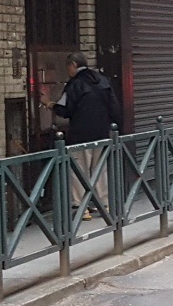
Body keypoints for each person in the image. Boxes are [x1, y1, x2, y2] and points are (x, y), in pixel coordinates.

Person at [45, 52, 122, 220]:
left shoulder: (75, 84)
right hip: (102, 133)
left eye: (68, 67)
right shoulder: (103, 80)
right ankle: (104, 204)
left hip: (80, 135)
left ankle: (81, 207)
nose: (68, 71)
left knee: (79, 171)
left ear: (73, 65)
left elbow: (65, 110)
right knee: (100, 169)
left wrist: (51, 104)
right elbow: (115, 108)